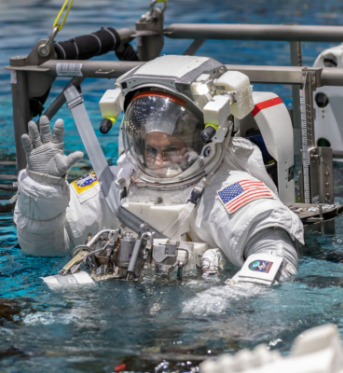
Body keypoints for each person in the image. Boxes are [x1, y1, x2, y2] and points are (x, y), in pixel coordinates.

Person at [14, 55, 304, 284]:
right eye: (150, 149)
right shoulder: (116, 182)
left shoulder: (226, 187)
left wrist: (219, 306)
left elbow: (275, 256)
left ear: (207, 142)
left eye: (171, 150)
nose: (157, 161)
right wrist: (43, 192)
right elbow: (47, 250)